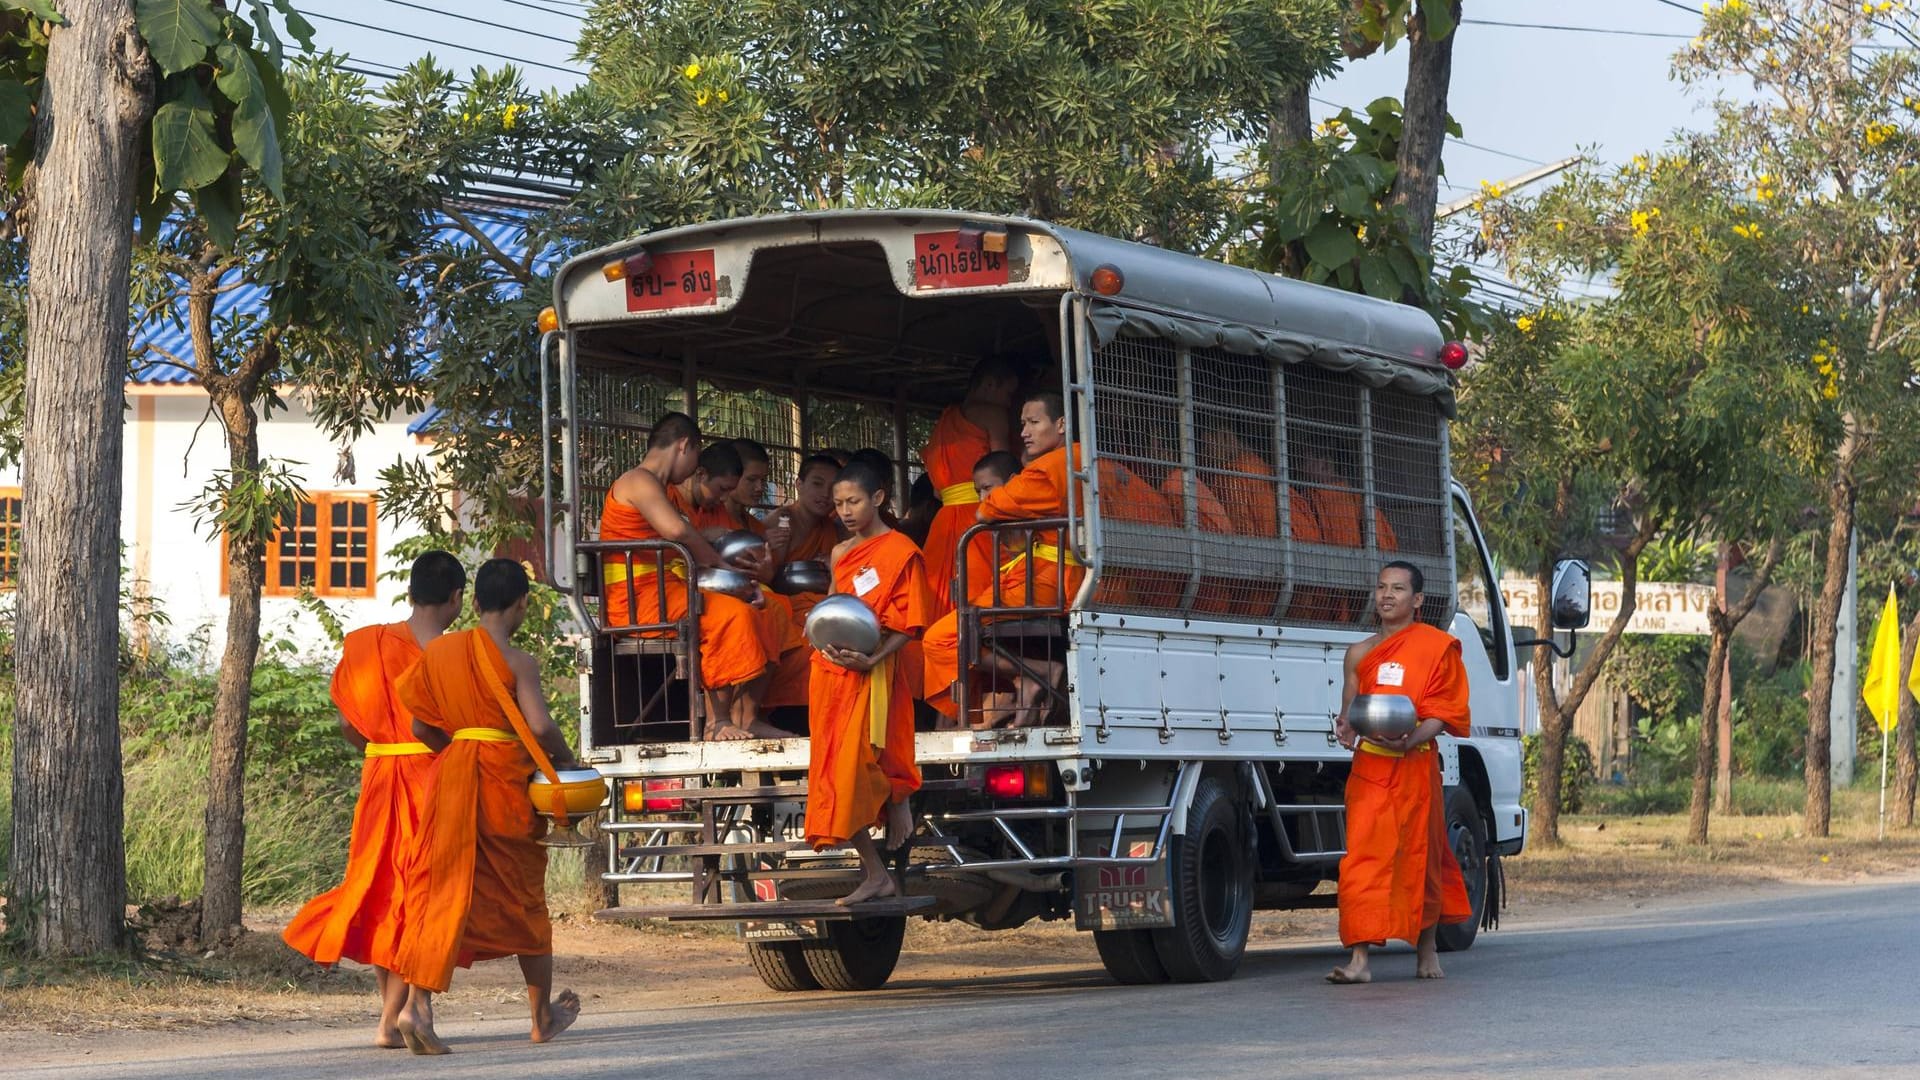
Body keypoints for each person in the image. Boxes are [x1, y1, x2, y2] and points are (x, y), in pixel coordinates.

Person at [390, 559, 581, 1054]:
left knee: (442, 891)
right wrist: (567, 762)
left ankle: (416, 1006)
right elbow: (538, 726)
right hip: (501, 781)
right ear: (522, 604)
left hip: (452, 777)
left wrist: (459, 749)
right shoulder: (519, 662)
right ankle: (541, 1017)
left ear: (473, 603)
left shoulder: (441, 651)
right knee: (524, 898)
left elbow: (419, 729)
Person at [282, 551, 466, 1050]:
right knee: (422, 898)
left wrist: (380, 746)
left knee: (384, 892)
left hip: (380, 775)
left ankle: (390, 1018)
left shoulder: (369, 644)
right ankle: (397, 1017)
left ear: (409, 593)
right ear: (456, 598)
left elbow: (346, 722)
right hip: (434, 780)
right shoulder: (456, 655)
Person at [1326, 561, 1472, 985]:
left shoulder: (1436, 647)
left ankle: (1426, 952)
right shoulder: (1359, 653)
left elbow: (1443, 712)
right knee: (1362, 862)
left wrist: (1408, 741)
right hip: (1371, 767)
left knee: (1419, 858)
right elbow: (1350, 712)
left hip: (1416, 764)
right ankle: (1359, 961)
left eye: (1398, 589)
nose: (1387, 596)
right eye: (1381, 588)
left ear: (1418, 600)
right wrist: (1345, 728)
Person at [599, 412, 775, 740]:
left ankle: (741, 715)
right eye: (696, 457)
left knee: (755, 612)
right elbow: (677, 530)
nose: (694, 470)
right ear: (684, 446)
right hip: (639, 600)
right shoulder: (638, 480)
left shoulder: (659, 487)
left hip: (663, 590)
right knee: (730, 614)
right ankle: (718, 721)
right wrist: (727, 570)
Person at [921, 392, 1090, 728]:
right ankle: (1023, 681)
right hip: (1080, 580)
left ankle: (1037, 673)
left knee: (942, 638)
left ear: (1061, 424)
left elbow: (986, 510)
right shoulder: (1094, 460)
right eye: (1022, 423)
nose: (1024, 432)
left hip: (1053, 582)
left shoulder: (1050, 467)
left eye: (1033, 422)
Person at [806, 460, 931, 904]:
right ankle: (875, 872)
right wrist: (825, 647)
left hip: (877, 673)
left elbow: (910, 624)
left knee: (861, 766)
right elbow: (830, 610)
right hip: (833, 676)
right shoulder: (841, 554)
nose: (845, 511)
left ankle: (898, 799)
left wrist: (871, 658)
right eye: (839, 504)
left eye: (853, 501)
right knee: (833, 775)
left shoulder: (900, 551)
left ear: (878, 498)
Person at [921, 357, 1019, 609]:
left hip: (941, 525)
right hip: (979, 516)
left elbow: (936, 490)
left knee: (939, 599)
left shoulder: (942, 424)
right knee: (983, 598)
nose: (1009, 403)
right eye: (1008, 393)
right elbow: (1002, 466)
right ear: (989, 385)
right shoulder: (992, 413)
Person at [761, 453, 846, 711]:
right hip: (789, 604)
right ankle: (778, 707)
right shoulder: (781, 521)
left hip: (817, 601)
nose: (824, 495)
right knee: (812, 645)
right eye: (817, 484)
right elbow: (766, 577)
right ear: (798, 484)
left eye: (832, 489)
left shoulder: (830, 528)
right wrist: (780, 550)